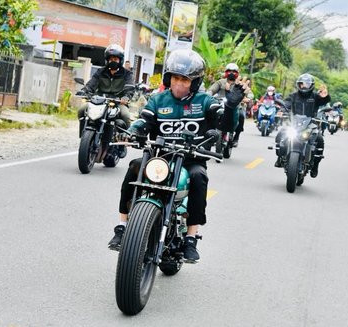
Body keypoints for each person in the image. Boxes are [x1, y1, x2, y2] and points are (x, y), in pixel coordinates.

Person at [107, 50, 250, 262]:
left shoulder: (205, 101)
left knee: (199, 177)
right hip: (160, 158)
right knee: (134, 166)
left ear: (194, 82)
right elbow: (143, 121)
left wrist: (230, 107)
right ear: (168, 78)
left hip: (192, 158)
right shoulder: (158, 100)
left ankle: (191, 238)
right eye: (175, 78)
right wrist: (133, 131)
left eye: (185, 79)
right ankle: (123, 225)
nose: (179, 84)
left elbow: (226, 125)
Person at [274, 73, 331, 178]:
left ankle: (315, 166)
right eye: (302, 84)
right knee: (281, 134)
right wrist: (282, 111)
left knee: (319, 139)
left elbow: (324, 101)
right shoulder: (293, 96)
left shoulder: (315, 97)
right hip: (294, 124)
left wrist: (325, 96)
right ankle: (280, 157)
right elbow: (286, 104)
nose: (304, 86)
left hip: (310, 124)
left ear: (311, 85)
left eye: (307, 84)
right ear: (298, 85)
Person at [77, 44, 134, 138]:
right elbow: (91, 84)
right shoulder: (100, 72)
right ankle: (84, 135)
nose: (113, 61)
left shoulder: (127, 74)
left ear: (120, 60)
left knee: (125, 115)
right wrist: (85, 91)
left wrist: (126, 97)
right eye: (111, 59)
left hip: (118, 102)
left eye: (115, 59)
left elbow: (130, 87)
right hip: (99, 101)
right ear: (107, 60)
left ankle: (125, 138)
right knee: (82, 110)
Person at [206, 63, 245, 146]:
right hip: (220, 103)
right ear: (226, 72)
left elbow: (249, 94)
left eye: (234, 71)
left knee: (241, 115)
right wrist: (208, 94)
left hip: (235, 106)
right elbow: (212, 90)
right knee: (209, 113)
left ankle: (236, 137)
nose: (231, 73)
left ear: (237, 73)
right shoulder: (220, 82)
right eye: (229, 71)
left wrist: (246, 99)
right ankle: (209, 135)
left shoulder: (240, 84)